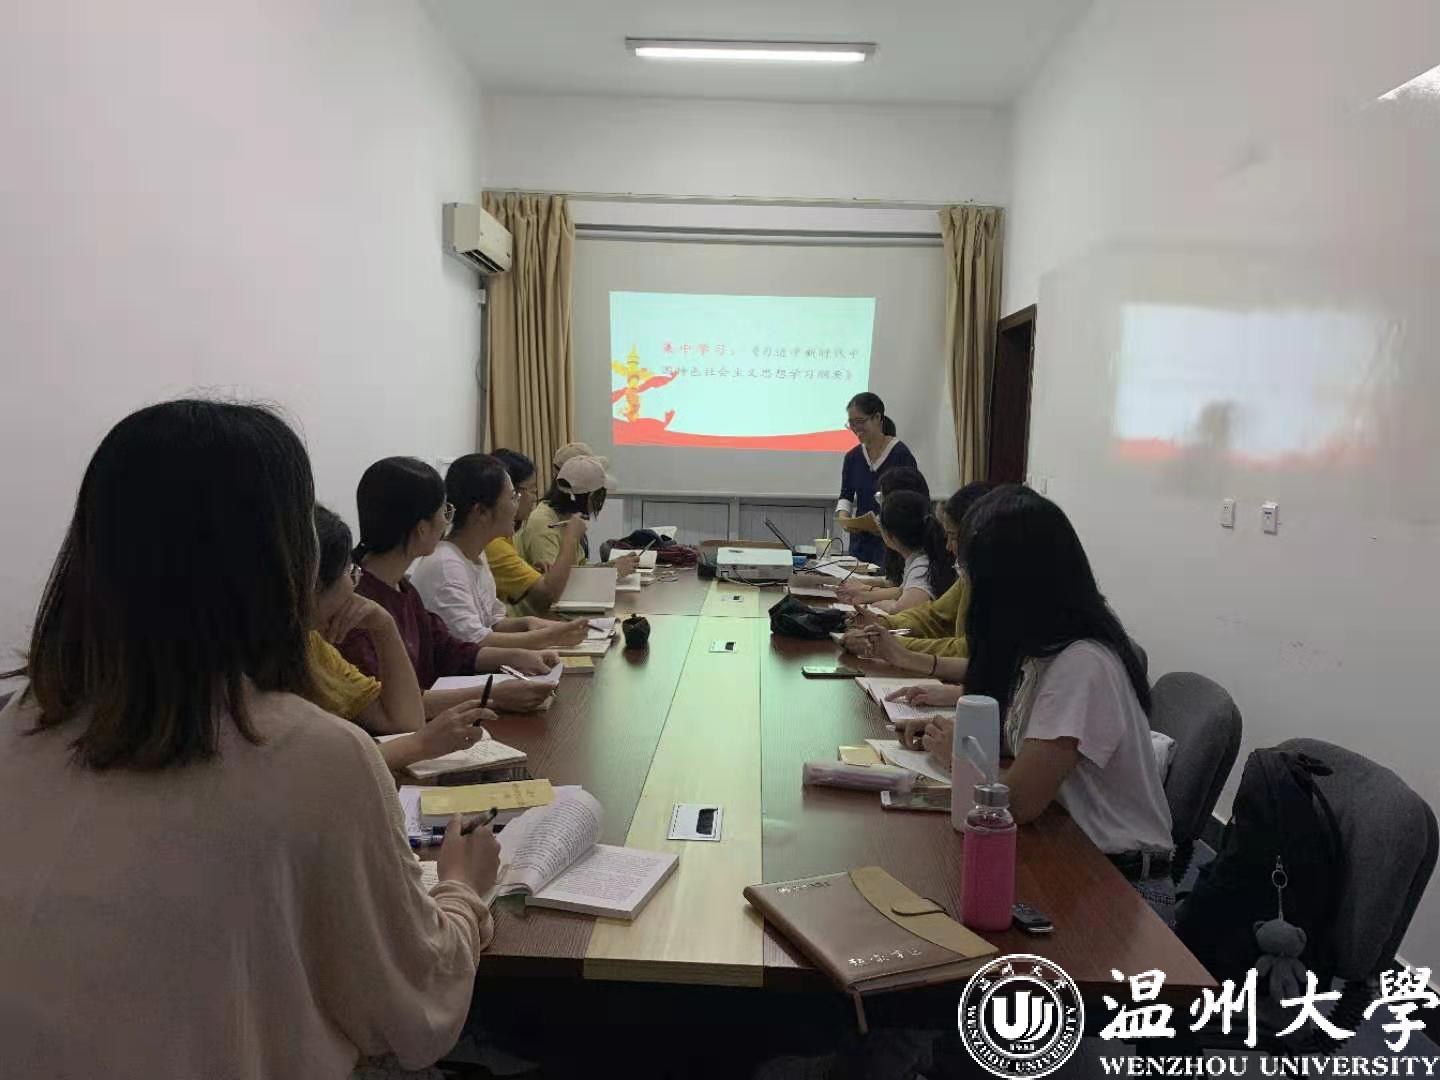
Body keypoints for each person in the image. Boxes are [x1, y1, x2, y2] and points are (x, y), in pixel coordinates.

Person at [0, 399, 500, 1077]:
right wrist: (464, 892)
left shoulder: (21, 723)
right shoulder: (311, 755)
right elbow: (413, 1014)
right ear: (280, 561)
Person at [898, 486, 1176, 920]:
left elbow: (1018, 803)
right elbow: (1027, 743)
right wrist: (958, 734)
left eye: (972, 575)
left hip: (1122, 889)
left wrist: (957, 756)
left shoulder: (1081, 664)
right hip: (1074, 853)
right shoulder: (1041, 654)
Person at [341, 457, 556, 715]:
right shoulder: (357, 604)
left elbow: (447, 650)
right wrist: (491, 695)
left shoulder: (402, 588)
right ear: (421, 529)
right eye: (444, 512)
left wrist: (516, 657)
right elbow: (388, 706)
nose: (447, 522)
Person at [310, 505, 494, 775]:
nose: (353, 582)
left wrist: (385, 627)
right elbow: (311, 772)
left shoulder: (313, 645)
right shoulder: (321, 638)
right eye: (349, 571)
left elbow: (404, 721)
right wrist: (419, 745)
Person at [410, 454, 590, 650]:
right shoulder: (447, 567)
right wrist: (550, 637)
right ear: (481, 512)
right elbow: (477, 644)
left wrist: (531, 624)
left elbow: (493, 623)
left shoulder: (476, 554)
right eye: (513, 497)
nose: (517, 505)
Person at [841, 482, 991, 668]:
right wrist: (883, 623)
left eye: (953, 537)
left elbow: (965, 651)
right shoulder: (969, 575)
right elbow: (934, 615)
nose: (948, 547)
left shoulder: (996, 583)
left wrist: (888, 643)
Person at [485, 447, 588, 615]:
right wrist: (571, 538)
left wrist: (531, 571)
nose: (534, 498)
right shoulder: (494, 544)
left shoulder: (502, 535)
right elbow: (550, 593)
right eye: (531, 490)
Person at [514, 455, 639, 579]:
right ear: (591, 498)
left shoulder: (566, 518)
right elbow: (554, 582)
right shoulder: (543, 525)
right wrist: (613, 574)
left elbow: (579, 567)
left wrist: (610, 566)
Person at [831, 491, 955, 615]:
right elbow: (901, 591)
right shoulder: (918, 558)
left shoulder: (921, 566)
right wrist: (864, 595)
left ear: (890, 537)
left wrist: (877, 603)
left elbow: (902, 609)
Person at [836, 392, 918, 568]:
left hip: (892, 546)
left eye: (860, 421)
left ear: (877, 418)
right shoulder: (852, 457)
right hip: (860, 546)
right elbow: (846, 495)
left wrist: (884, 523)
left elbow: (913, 500)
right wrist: (844, 518)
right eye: (851, 423)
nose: (855, 428)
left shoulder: (901, 454)